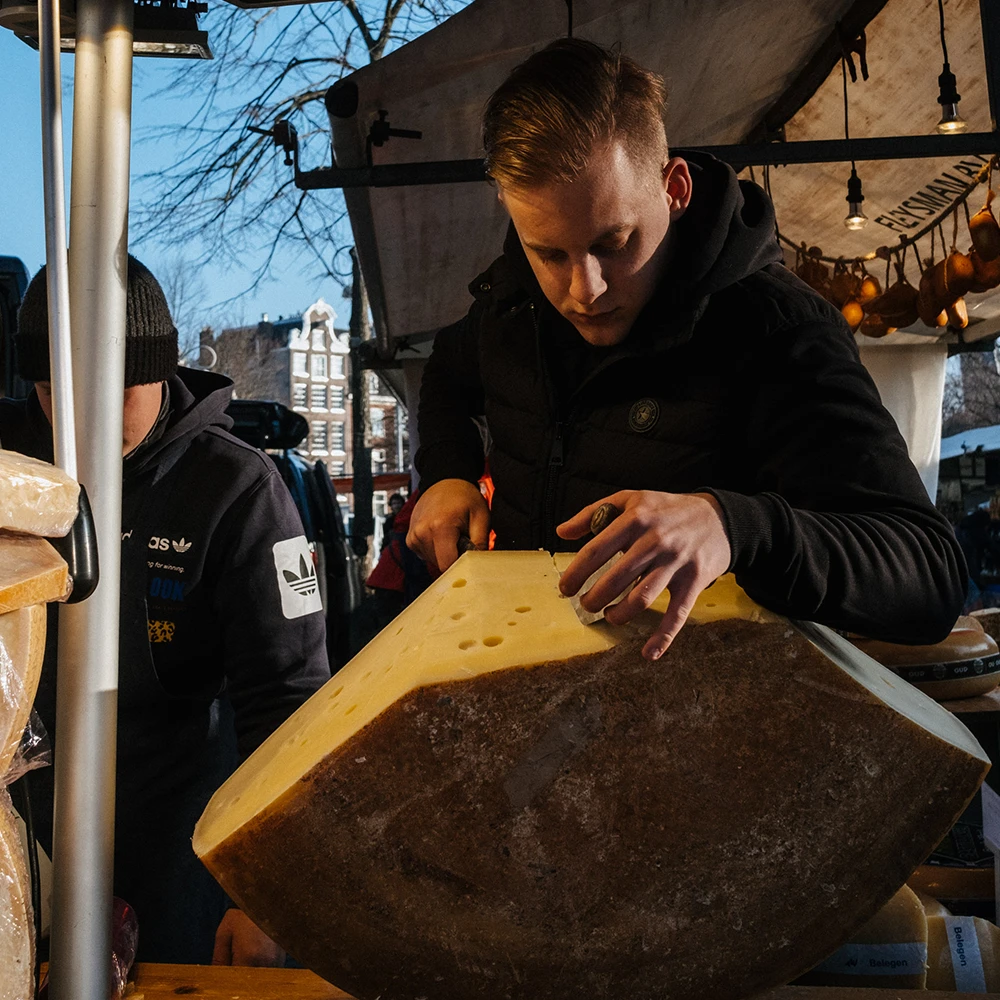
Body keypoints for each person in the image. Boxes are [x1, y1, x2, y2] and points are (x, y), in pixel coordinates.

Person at [407, 39, 966, 659]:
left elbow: (929, 573)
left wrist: (733, 525)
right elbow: (446, 376)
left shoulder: (779, 331)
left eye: (614, 242)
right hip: (524, 699)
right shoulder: (508, 306)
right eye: (549, 252)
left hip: (710, 730)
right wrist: (447, 473)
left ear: (674, 189)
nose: (583, 290)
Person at [0, 256, 330, 965]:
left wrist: (268, 894)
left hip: (180, 855)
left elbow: (289, 703)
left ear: (160, 369)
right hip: (19, 847)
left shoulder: (235, 489)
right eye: (64, 388)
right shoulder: (10, 476)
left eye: (118, 387)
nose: (89, 413)